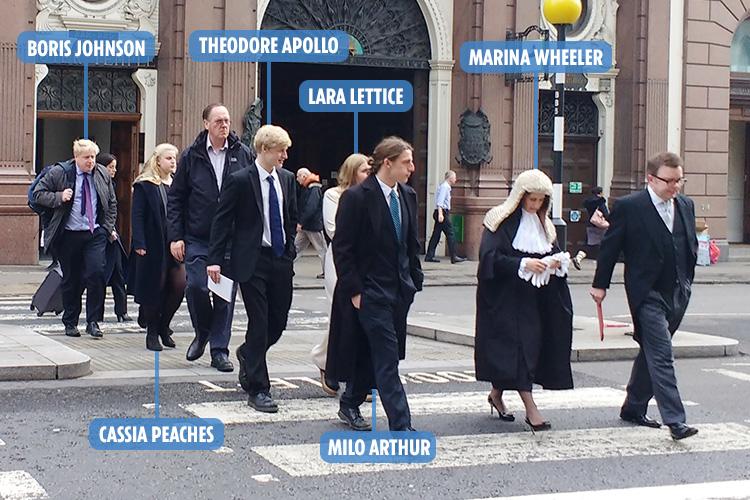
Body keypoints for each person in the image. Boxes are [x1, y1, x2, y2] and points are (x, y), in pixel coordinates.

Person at [591, 152, 699, 441]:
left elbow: (689, 244)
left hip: (677, 292)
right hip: (646, 293)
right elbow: (611, 247)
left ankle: (634, 406)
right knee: (662, 354)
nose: (675, 187)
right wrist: (600, 285)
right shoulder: (630, 206)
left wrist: (687, 282)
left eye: (679, 180)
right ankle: (676, 421)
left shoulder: (686, 205)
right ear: (651, 179)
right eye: (669, 181)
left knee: (652, 351)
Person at [326, 136, 424, 432]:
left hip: (399, 290)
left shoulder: (407, 195)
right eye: (406, 162)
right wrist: (355, 290)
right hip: (369, 292)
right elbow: (343, 248)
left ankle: (350, 402)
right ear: (388, 163)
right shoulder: (356, 197)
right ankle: (401, 424)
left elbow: (410, 244)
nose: (412, 168)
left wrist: (414, 280)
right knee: (387, 357)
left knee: (374, 354)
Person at [207, 124, 297, 413]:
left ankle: (247, 354)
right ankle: (259, 389)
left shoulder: (287, 179)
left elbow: (290, 217)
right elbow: (222, 220)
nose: (285, 155)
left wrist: (290, 249)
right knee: (259, 323)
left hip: (280, 260)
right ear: (263, 150)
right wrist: (215, 258)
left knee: (277, 322)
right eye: (280, 150)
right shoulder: (240, 180)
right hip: (252, 261)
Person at [475, 169, 574, 431]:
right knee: (518, 349)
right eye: (531, 200)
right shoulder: (499, 220)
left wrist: (555, 262)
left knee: (528, 350)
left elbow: (550, 253)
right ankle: (532, 411)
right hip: (505, 300)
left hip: (534, 301)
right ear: (520, 197)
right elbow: (489, 259)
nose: (535, 205)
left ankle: (496, 394)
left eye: (541, 201)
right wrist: (522, 263)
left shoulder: (545, 226)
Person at [167, 103, 253, 371]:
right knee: (196, 286)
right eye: (218, 121)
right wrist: (176, 236)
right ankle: (202, 331)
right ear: (206, 124)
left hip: (230, 239)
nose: (224, 125)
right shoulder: (191, 156)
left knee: (224, 296)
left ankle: (219, 350)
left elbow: (252, 196)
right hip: (198, 237)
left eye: (226, 120)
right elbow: (176, 198)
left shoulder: (242, 154)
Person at [32, 139, 117, 338]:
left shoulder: (101, 173)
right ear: (76, 157)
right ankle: (70, 322)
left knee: (96, 274)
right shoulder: (60, 172)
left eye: (93, 157)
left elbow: (112, 202)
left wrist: (106, 228)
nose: (91, 161)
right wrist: (59, 196)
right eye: (86, 157)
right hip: (68, 234)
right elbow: (38, 195)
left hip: (94, 233)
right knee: (72, 280)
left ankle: (93, 321)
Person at [310, 153, 371, 395]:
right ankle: (325, 362)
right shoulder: (333, 195)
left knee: (360, 318)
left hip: (365, 261)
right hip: (340, 260)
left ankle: (357, 375)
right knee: (339, 313)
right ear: (352, 172)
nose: (369, 175)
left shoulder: (371, 196)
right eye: (365, 170)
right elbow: (334, 230)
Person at [128, 144, 187, 351]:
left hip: (175, 243)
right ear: (158, 161)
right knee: (155, 288)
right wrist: (139, 243)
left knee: (179, 285)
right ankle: (152, 332)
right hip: (153, 244)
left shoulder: (178, 185)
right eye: (169, 158)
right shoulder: (145, 185)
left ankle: (164, 325)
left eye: (174, 159)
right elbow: (138, 216)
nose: (173, 162)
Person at [96, 152, 131, 323]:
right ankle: (97, 313)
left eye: (115, 167)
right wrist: (107, 229)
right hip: (101, 235)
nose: (114, 171)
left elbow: (113, 208)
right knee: (101, 275)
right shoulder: (96, 183)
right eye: (111, 167)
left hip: (112, 236)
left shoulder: (112, 184)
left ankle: (121, 311)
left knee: (118, 274)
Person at [425, 170, 466, 263]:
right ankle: (454, 256)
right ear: (450, 178)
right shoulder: (445, 187)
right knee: (450, 233)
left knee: (436, 235)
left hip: (441, 212)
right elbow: (440, 201)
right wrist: (440, 214)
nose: (456, 179)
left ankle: (429, 256)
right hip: (442, 212)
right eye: (454, 177)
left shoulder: (445, 187)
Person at [294, 167, 327, 279]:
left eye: (298, 177)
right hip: (309, 225)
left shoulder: (313, 188)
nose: (297, 180)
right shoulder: (311, 188)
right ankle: (286, 268)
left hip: (311, 225)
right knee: (296, 248)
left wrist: (301, 222)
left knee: (320, 249)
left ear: (303, 176)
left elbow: (310, 207)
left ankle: (327, 272)